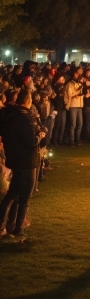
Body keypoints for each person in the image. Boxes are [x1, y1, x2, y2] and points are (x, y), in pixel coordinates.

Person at [0, 89, 42, 238]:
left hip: (15, 159)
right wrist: (40, 134)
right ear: (28, 100)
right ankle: (18, 227)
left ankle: (8, 223)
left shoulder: (9, 115)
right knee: (24, 197)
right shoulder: (22, 118)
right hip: (26, 161)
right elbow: (31, 141)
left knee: (13, 193)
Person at [64, 69, 84, 146]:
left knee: (80, 123)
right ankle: (71, 140)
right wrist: (76, 94)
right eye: (76, 74)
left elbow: (81, 92)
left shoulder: (79, 83)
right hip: (73, 105)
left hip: (80, 105)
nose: (77, 75)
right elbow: (69, 94)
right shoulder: (70, 84)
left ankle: (77, 139)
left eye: (78, 74)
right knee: (73, 124)